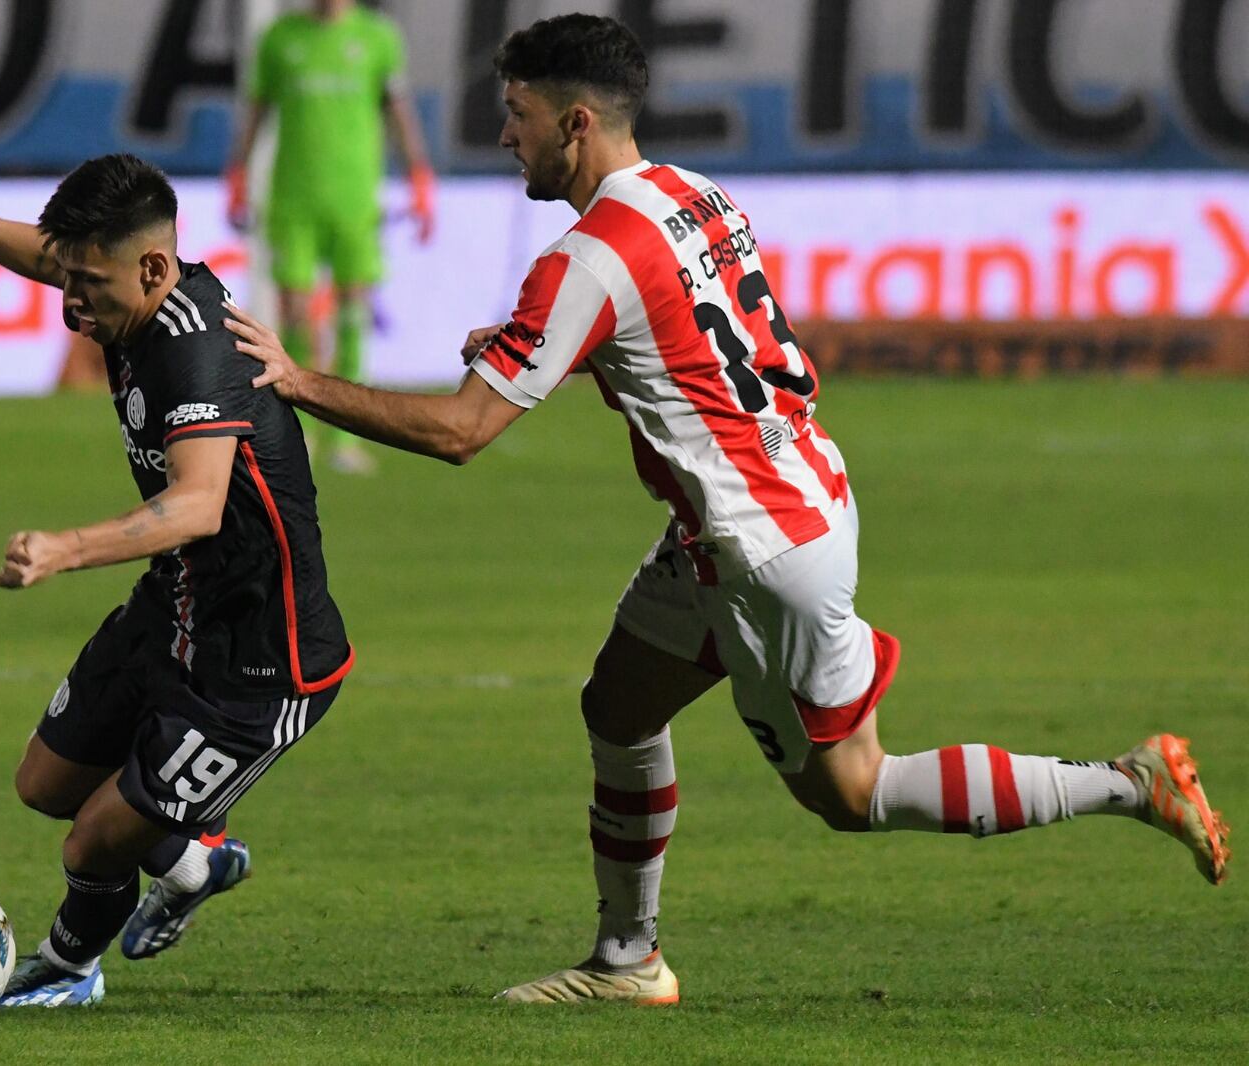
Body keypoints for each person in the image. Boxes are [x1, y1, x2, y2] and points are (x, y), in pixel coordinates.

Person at [222, 14, 1231, 1005]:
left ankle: (1128, 781)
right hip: (787, 494)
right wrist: (560, 345)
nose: (504, 135)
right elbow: (694, 349)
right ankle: (627, 960)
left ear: (575, 122)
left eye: (518, 114)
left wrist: (298, 381)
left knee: (852, 790)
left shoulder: (584, 261)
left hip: (759, 548)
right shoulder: (693, 195)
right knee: (618, 706)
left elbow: (460, 431)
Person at [0, 143, 353, 1007]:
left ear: (153, 268)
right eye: (70, 277)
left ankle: (68, 969)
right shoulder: (128, 290)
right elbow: (52, 255)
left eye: (87, 285)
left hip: (259, 658)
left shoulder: (196, 353)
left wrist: (65, 548)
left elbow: (198, 504)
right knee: (44, 783)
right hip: (177, 603)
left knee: (91, 843)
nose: (70, 301)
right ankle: (190, 857)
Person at [224, 0, 435, 474]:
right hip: (292, 203)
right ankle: (297, 428)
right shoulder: (280, 39)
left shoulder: (378, 37)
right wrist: (237, 172)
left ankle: (346, 437)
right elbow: (257, 109)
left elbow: (398, 110)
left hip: (355, 202)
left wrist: (419, 176)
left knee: (353, 315)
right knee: (297, 316)